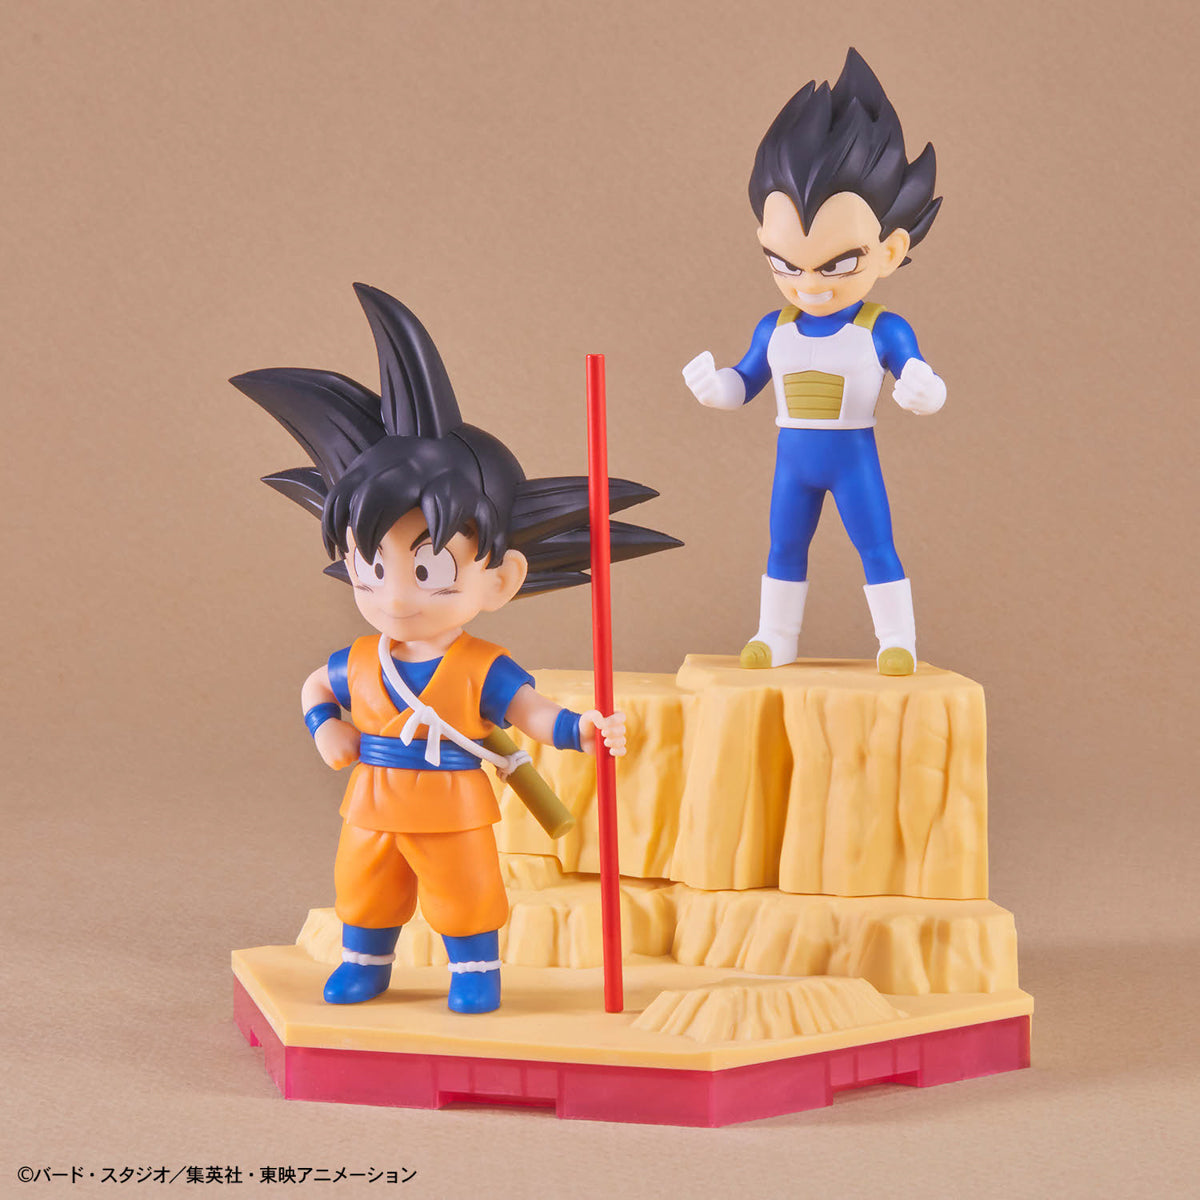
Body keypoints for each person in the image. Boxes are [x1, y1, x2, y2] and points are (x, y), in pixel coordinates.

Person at [233, 284, 677, 1011]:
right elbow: (316, 686)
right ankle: (365, 962)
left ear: (499, 580)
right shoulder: (361, 659)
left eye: (429, 568)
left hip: (452, 801)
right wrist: (326, 727)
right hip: (374, 798)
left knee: (464, 889)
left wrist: (582, 729)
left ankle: (474, 971)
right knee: (365, 886)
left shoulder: (480, 666)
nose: (395, 596)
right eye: (372, 567)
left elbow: (530, 713)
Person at [683, 49, 946, 675]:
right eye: (785, 263)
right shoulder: (774, 328)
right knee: (784, 546)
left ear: (890, 250)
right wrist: (715, 386)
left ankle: (898, 639)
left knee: (875, 545)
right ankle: (775, 635)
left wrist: (924, 388)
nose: (809, 284)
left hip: (853, 456)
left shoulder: (881, 327)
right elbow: (745, 380)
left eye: (839, 263)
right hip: (793, 460)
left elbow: (918, 372)